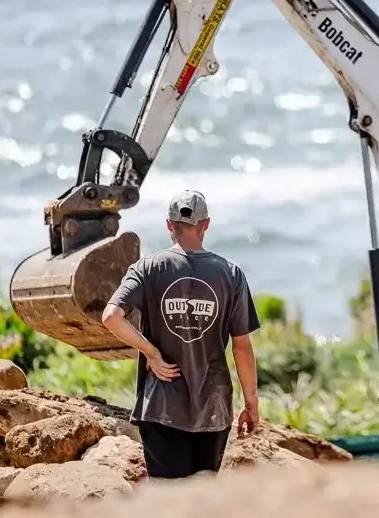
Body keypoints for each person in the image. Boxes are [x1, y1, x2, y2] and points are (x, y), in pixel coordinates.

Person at [101, 188, 261, 479]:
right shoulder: (232, 274)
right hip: (213, 410)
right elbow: (241, 347)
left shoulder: (147, 268)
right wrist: (251, 405)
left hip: (161, 407)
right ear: (206, 225)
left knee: (168, 503)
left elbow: (111, 317)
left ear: (169, 226)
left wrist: (152, 354)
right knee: (201, 501)